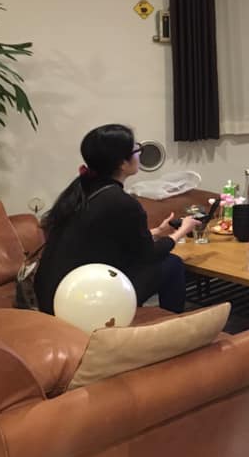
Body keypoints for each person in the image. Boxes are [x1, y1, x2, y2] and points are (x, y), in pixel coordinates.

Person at [34, 124, 198, 315]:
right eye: (136, 149)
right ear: (122, 163)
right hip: (80, 302)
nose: (140, 153)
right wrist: (181, 232)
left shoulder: (81, 190)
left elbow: (103, 239)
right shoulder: (122, 202)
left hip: (52, 294)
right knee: (171, 263)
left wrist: (158, 231)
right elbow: (148, 255)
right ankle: (174, 323)